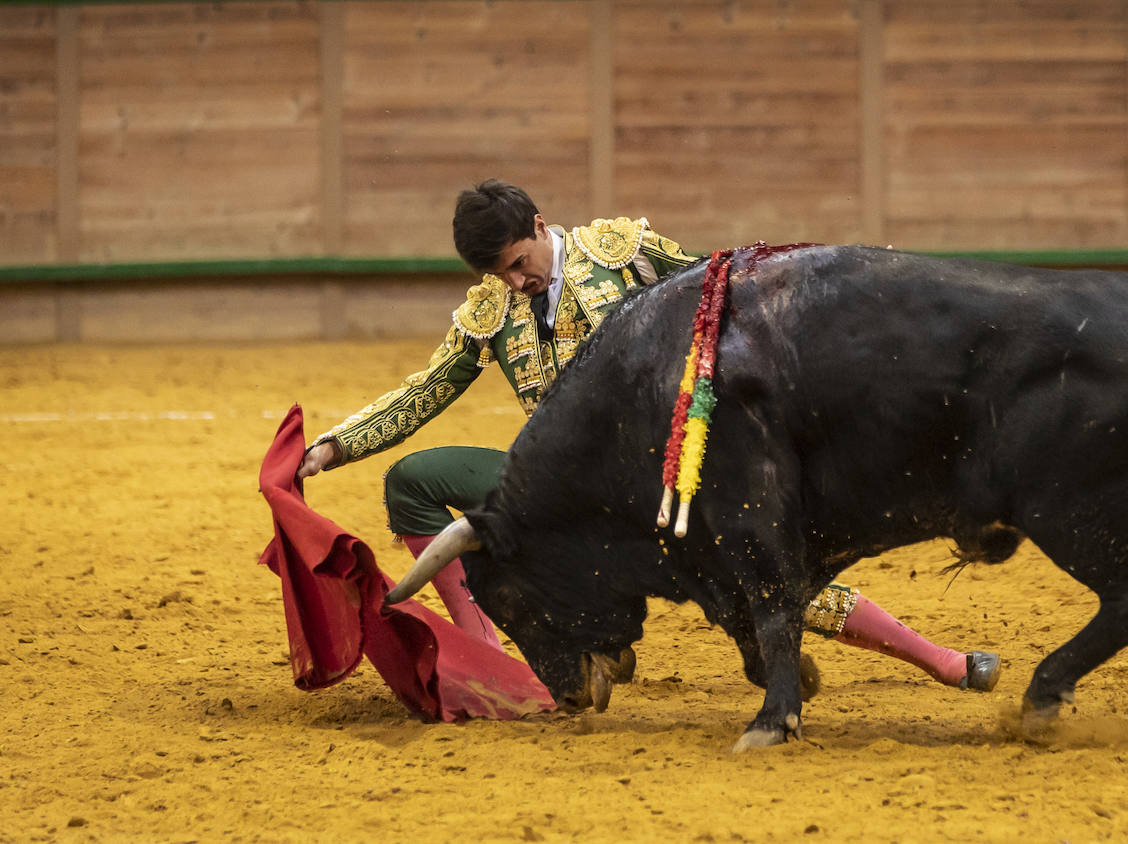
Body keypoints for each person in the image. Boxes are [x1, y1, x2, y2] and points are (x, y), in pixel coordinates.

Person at [297, 179, 999, 692]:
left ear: (542, 227)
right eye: (497, 274)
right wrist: (335, 445)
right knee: (415, 482)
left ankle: (933, 657)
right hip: (557, 492)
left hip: (658, 476)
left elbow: (723, 296)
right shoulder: (490, 309)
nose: (513, 283)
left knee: (758, 565)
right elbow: (426, 390)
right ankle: (485, 654)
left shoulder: (621, 254)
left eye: (517, 263)